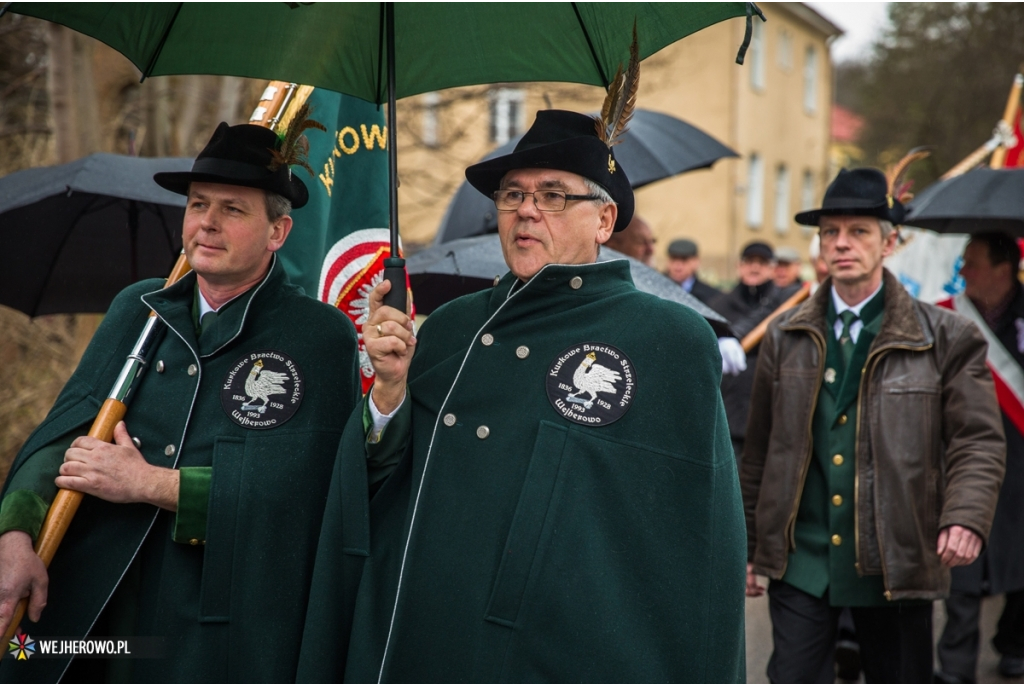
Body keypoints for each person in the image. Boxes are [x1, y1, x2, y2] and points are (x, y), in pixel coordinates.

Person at [298, 109, 747, 682]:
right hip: (422, 638)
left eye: (554, 195)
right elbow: (387, 479)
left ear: (605, 219)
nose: (527, 210)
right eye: (512, 195)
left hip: (560, 656)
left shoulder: (669, 338)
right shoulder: (451, 327)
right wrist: (388, 392)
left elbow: (703, 542)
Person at [0, 122, 360, 682]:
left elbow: (303, 499)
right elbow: (60, 438)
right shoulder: (137, 309)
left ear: (278, 231)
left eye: (233, 209)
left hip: (207, 632)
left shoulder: (319, 336)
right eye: (198, 205)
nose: (207, 223)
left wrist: (148, 484)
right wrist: (16, 536)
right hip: (87, 608)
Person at [742, 168, 1006, 683]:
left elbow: (977, 439)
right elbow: (760, 451)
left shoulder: (947, 336)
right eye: (830, 232)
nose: (842, 244)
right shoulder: (783, 335)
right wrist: (754, 546)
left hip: (899, 558)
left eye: (859, 231)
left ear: (889, 242)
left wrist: (966, 516)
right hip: (802, 562)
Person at [935, 231, 1024, 683]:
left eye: (972, 262)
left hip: (1022, 463)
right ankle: (954, 669)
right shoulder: (946, 319)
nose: (963, 272)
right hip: (966, 457)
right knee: (963, 567)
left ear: (1003, 270)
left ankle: (1015, 645)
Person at [711, 241, 800, 462]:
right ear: (739, 266)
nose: (754, 268)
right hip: (730, 414)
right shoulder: (718, 305)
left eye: (761, 263)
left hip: (771, 410)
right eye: (749, 262)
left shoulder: (787, 302)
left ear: (772, 268)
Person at [665, 237, 721, 305]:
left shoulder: (712, 296)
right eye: (673, 259)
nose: (678, 267)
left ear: (696, 262)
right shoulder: (656, 288)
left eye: (684, 260)